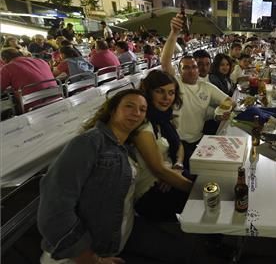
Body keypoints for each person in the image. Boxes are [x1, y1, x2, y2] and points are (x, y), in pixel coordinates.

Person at [38, 89, 193, 264]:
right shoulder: (89, 142)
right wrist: (89, 258)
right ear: (113, 110)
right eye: (129, 106)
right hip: (88, 252)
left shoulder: (125, 146)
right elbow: (53, 210)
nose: (136, 113)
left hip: (123, 232)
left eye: (142, 109)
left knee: (184, 252)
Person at [161, 15, 232, 167]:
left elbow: (228, 101)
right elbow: (165, 63)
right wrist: (174, 33)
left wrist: (218, 112)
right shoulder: (176, 84)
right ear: (179, 71)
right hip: (177, 142)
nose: (192, 70)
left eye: (194, 66)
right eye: (186, 67)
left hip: (199, 140)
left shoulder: (206, 87)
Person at [134, 71, 193, 222]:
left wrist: (178, 166)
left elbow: (178, 144)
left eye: (171, 93)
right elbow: (158, 169)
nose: (167, 98)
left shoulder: (164, 118)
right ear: (148, 93)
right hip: (151, 191)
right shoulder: (143, 126)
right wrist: (196, 191)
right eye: (159, 91)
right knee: (208, 197)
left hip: (171, 174)